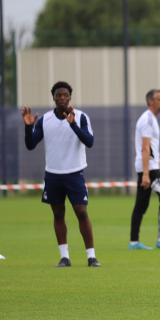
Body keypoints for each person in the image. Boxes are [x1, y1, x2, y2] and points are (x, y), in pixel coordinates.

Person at [23, 81, 101, 267]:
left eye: (65, 95)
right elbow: (30, 145)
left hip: (74, 173)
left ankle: (91, 257)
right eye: (58, 95)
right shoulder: (44, 120)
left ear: (70, 97)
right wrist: (28, 127)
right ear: (53, 98)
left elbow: (89, 142)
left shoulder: (80, 117)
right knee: (58, 214)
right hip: (53, 174)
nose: (62, 98)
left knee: (81, 212)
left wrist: (73, 125)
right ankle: (64, 257)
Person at [129, 89, 160, 250]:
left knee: (141, 205)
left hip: (150, 166)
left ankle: (134, 242)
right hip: (148, 168)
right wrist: (145, 174)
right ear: (151, 101)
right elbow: (145, 149)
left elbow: (152, 148)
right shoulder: (148, 120)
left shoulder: (152, 119)